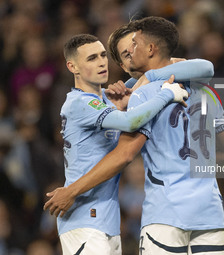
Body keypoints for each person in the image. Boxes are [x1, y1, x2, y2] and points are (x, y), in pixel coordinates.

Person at [45, 17, 224, 254]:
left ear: (150, 48)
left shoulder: (142, 97)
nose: (131, 52)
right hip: (210, 211)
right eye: (125, 53)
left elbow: (126, 152)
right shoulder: (203, 88)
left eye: (134, 45)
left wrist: (71, 190)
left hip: (165, 211)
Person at [55, 33, 189, 255]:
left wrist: (124, 99)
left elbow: (177, 66)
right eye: (91, 59)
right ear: (73, 67)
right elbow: (131, 122)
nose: (101, 62)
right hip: (83, 219)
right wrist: (166, 94)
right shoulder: (78, 103)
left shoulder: (105, 101)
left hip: (106, 221)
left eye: (102, 55)